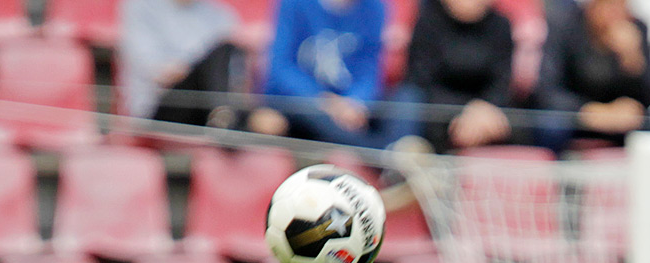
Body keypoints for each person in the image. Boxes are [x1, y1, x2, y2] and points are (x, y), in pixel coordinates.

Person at [248, 0, 394, 148]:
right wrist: (322, 100)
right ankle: (386, 155)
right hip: (294, 101)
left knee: (403, 104)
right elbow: (281, 68)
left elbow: (369, 69)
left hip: (345, 107)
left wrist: (355, 103)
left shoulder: (375, 7)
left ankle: (387, 153)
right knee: (312, 117)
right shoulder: (294, 4)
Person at [532, 0, 650, 152]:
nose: (613, 12)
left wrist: (632, 59)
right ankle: (554, 174)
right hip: (575, 116)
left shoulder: (636, 28)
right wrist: (587, 111)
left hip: (620, 119)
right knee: (550, 127)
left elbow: (647, 99)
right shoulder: (565, 25)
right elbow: (548, 90)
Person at [394, 0, 516, 152]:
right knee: (408, 101)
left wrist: (484, 109)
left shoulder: (501, 25)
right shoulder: (429, 21)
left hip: (486, 114)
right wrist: (465, 113)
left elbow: (501, 83)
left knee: (516, 125)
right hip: (438, 113)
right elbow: (421, 80)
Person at [119, 0, 244, 128]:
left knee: (223, 52)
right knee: (220, 54)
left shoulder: (219, 14)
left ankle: (223, 116)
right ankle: (224, 117)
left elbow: (233, 76)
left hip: (203, 107)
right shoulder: (141, 6)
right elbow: (155, 71)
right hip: (158, 107)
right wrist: (195, 68)